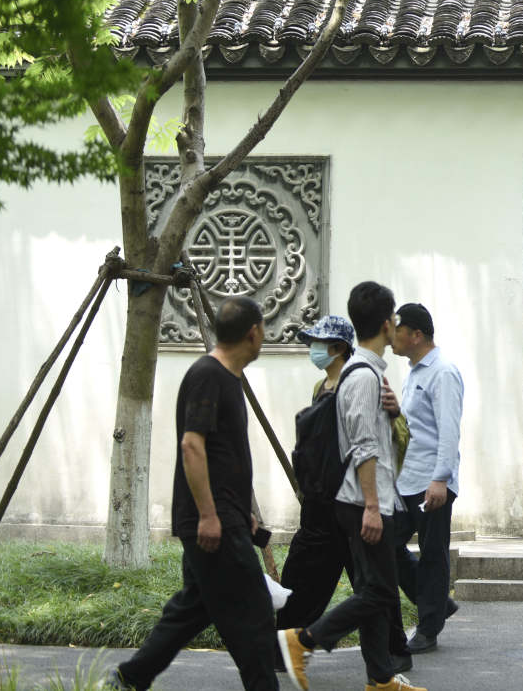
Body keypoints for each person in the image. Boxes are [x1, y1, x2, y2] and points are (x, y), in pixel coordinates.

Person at [107, 297, 278, 691]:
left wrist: (242, 512)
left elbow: (223, 457)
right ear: (253, 333)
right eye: (263, 329)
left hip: (225, 516)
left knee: (193, 608)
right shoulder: (208, 375)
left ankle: (130, 678)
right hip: (212, 523)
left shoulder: (226, 378)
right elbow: (192, 446)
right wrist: (209, 516)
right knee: (253, 616)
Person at [278, 282, 425, 691]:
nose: (397, 326)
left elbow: (381, 440)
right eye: (395, 320)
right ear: (385, 323)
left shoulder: (366, 374)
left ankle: (380, 678)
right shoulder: (362, 376)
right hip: (362, 501)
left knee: (376, 590)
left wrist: (394, 415)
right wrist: (373, 507)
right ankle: (302, 640)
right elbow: (362, 447)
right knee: (377, 591)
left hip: (365, 499)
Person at [275, 314, 359, 632]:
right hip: (320, 497)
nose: (313, 349)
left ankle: (391, 650)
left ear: (338, 348)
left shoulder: (356, 384)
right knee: (309, 570)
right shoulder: (320, 386)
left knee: (366, 581)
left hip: (345, 497)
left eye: (318, 343)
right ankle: (288, 639)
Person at [391, 302, 465, 654]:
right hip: (408, 478)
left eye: (398, 329)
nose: (391, 336)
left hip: (432, 481)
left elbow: (448, 432)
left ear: (416, 334)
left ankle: (428, 629)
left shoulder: (443, 372)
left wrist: (440, 479)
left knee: (433, 553)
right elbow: (416, 426)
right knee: (389, 547)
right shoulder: (415, 371)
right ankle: (439, 603)